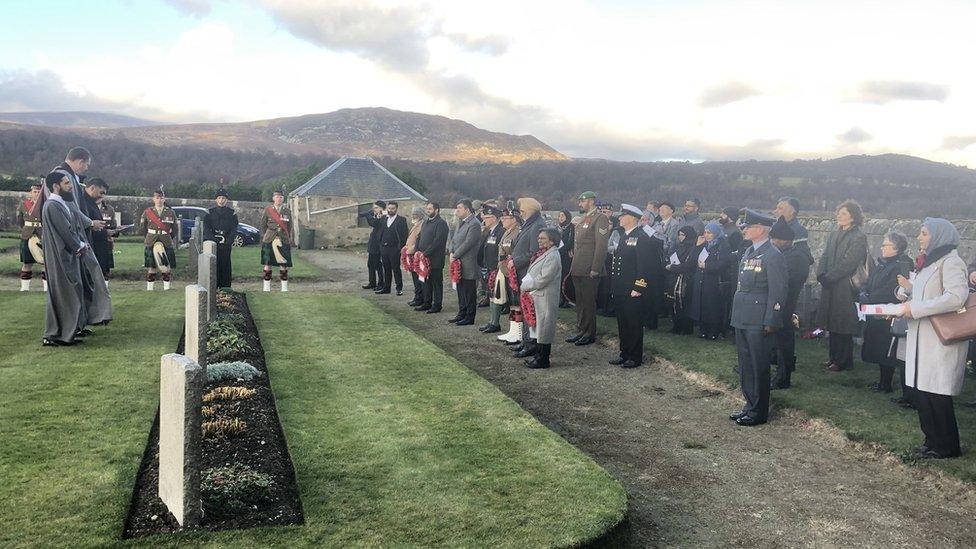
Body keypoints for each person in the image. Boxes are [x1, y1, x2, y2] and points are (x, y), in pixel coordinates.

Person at [896, 218, 968, 459]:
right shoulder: (929, 264)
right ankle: (931, 440)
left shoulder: (951, 262)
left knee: (937, 393)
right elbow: (921, 295)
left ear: (938, 236)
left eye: (924, 233)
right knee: (922, 391)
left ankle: (947, 446)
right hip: (921, 335)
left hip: (939, 339)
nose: (919, 237)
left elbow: (955, 297)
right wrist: (904, 305)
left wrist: (915, 309)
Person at [729, 209, 787, 426]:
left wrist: (772, 319)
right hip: (743, 315)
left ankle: (759, 411)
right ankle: (749, 404)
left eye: (748, 227)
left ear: (761, 229)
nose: (744, 230)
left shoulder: (773, 256)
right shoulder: (749, 252)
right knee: (745, 363)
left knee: (758, 364)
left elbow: (778, 291)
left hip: (758, 317)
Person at [50, 148, 112, 325]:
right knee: (71, 283)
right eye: (86, 165)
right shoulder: (61, 176)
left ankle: (84, 320)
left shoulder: (69, 177)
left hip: (77, 235)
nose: (87, 169)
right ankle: (73, 324)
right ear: (79, 161)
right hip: (68, 238)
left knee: (84, 279)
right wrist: (90, 223)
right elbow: (69, 208)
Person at [816, 199, 869, 372]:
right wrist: (821, 274)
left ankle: (843, 361)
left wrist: (830, 277)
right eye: (839, 213)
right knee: (832, 323)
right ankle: (833, 357)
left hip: (845, 286)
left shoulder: (858, 237)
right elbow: (825, 255)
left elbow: (850, 262)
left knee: (843, 323)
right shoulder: (834, 233)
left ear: (853, 217)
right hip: (831, 284)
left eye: (844, 213)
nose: (839, 216)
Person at [609, 204, 661, 368]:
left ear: (632, 217)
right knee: (623, 323)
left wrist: (638, 288)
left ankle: (634, 356)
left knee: (633, 323)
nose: (619, 218)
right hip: (620, 288)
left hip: (632, 289)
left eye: (622, 215)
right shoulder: (625, 235)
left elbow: (644, 266)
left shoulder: (641, 237)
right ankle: (624, 353)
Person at [860, 232, 913, 392]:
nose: (882, 247)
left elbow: (893, 289)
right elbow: (870, 281)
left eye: (885, 245)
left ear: (896, 248)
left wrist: (870, 298)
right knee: (878, 347)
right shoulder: (883, 263)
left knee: (886, 350)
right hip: (875, 310)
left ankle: (886, 384)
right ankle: (883, 382)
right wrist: (864, 292)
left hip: (888, 312)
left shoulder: (902, 264)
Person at [768, 216, 816, 389]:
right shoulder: (786, 253)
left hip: (785, 304)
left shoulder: (796, 257)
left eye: (775, 239)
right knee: (777, 341)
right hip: (779, 302)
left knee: (784, 341)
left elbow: (784, 280)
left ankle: (783, 376)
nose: (772, 242)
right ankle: (778, 371)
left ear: (785, 240)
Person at [41, 172, 87, 346]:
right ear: (56, 186)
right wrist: (79, 246)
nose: (70, 186)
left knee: (69, 291)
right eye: (67, 183)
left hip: (65, 255)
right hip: (59, 257)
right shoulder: (53, 205)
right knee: (64, 292)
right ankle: (58, 334)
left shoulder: (59, 204)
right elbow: (66, 232)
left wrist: (79, 244)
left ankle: (69, 330)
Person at [566, 191, 610, 347]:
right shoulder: (584, 219)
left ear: (591, 201)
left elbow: (601, 246)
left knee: (589, 302)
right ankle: (581, 330)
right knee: (580, 301)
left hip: (590, 268)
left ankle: (589, 333)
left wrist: (596, 268)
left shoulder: (600, 218)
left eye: (582, 201)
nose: (580, 204)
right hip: (578, 266)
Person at [520, 227, 563, 369]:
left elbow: (543, 279)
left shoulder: (553, 256)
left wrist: (526, 286)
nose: (539, 240)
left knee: (544, 328)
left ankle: (543, 360)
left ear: (552, 241)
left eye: (543, 238)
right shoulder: (545, 254)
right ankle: (538, 357)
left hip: (545, 297)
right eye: (539, 238)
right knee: (540, 328)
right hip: (538, 295)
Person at [511, 197, 545, 358]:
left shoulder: (537, 225)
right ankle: (526, 340)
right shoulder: (530, 223)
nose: (521, 212)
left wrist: (516, 261)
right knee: (524, 308)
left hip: (528, 273)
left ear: (530, 209)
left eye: (522, 209)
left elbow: (534, 252)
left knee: (530, 309)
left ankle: (531, 344)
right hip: (521, 272)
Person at [689, 222, 732, 340]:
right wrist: (697, 245)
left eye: (709, 233)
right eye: (705, 232)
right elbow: (692, 259)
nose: (706, 235)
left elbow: (724, 263)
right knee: (701, 306)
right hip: (700, 279)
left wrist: (707, 266)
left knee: (712, 306)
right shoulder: (703, 245)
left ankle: (714, 331)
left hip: (713, 280)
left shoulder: (722, 245)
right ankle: (703, 329)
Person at [448, 199, 482, 325]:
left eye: (459, 208)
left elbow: (469, 243)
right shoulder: (460, 222)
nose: (457, 210)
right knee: (461, 289)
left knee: (469, 291)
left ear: (467, 209)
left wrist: (455, 255)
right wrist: (451, 251)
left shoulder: (474, 224)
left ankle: (469, 316)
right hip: (458, 262)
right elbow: (454, 239)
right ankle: (461, 313)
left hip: (468, 263)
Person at [139, 188, 178, 291]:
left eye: (161, 198)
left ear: (164, 199)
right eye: (157, 198)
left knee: (166, 266)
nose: (159, 200)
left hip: (166, 240)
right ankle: (150, 288)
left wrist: (169, 237)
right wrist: (147, 237)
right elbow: (143, 228)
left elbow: (175, 229)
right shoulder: (148, 212)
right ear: (153, 199)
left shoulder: (170, 212)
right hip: (151, 240)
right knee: (152, 266)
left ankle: (166, 288)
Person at [495, 205, 523, 343]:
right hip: (506, 271)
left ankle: (518, 332)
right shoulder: (507, 231)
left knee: (516, 302)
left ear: (514, 219)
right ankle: (513, 329)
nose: (503, 220)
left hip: (513, 272)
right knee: (512, 303)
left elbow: (515, 252)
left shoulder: (518, 232)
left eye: (506, 218)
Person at [415, 201, 449, 313]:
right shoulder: (425, 223)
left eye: (430, 209)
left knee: (436, 283)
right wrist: (417, 251)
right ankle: (427, 302)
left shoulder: (441, 224)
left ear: (436, 210)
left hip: (435, 259)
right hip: (422, 258)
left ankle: (437, 305)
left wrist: (425, 253)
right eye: (427, 208)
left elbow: (438, 241)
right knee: (425, 282)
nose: (427, 210)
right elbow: (419, 237)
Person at [260, 187, 295, 292]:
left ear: (283, 199)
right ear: (273, 198)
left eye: (280, 197)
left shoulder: (287, 211)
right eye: (277, 197)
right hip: (269, 239)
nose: (279, 199)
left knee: (283, 265)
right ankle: (266, 288)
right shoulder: (268, 210)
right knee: (267, 264)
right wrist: (269, 234)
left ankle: (284, 288)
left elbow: (289, 226)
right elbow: (263, 225)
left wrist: (283, 235)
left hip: (283, 239)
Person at [203, 188, 239, 289]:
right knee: (214, 265)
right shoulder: (209, 213)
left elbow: (234, 229)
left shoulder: (232, 213)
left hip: (226, 243)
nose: (221, 200)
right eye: (219, 198)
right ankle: (213, 286)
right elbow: (206, 228)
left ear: (226, 200)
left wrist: (228, 242)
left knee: (225, 265)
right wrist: (213, 240)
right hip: (213, 244)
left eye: (223, 198)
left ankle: (225, 287)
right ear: (216, 199)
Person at [665, 225, 697, 334]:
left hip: (685, 279)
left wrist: (673, 267)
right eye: (679, 235)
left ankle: (685, 328)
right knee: (674, 303)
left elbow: (689, 265)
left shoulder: (693, 248)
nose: (680, 237)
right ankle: (676, 326)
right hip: (675, 277)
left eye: (682, 235)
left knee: (684, 304)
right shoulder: (680, 246)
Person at [478, 204, 505, 333]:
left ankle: (495, 323)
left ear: (494, 218)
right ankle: (491, 321)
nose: (484, 219)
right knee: (490, 295)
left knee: (496, 296)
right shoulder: (490, 231)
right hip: (488, 267)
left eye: (487, 217)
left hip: (496, 268)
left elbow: (500, 251)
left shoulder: (500, 231)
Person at [84, 178, 115, 282]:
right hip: (90, 248)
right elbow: (83, 226)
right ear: (93, 188)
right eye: (101, 192)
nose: (102, 196)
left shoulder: (91, 202)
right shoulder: (83, 202)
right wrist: (105, 232)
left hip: (98, 247)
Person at [16, 181, 45, 291]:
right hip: (27, 235)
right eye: (35, 191)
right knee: (27, 263)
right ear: (31, 193)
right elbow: (20, 221)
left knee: (45, 263)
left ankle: (46, 289)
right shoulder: (24, 205)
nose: (37, 193)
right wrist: (25, 230)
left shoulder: (45, 204)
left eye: (39, 191)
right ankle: (24, 289)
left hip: (42, 235)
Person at [775, 196, 815, 268]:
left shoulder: (799, 231)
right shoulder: (774, 228)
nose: (775, 211)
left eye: (780, 208)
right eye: (776, 208)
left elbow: (797, 257)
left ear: (792, 212)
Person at [378, 201, 408, 295]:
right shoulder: (383, 218)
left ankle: (399, 289)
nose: (390, 210)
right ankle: (386, 288)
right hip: (384, 247)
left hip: (395, 248)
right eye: (389, 208)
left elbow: (404, 235)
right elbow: (380, 230)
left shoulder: (401, 220)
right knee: (386, 268)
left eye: (392, 208)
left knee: (396, 269)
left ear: (396, 209)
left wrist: (400, 248)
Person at [362, 200, 387, 290]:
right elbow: (372, 223)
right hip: (373, 242)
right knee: (370, 264)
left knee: (377, 264)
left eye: (376, 208)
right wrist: (368, 215)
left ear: (382, 208)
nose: (374, 210)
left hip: (378, 243)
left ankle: (381, 283)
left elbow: (374, 223)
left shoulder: (384, 216)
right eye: (374, 208)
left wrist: (368, 216)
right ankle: (372, 282)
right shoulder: (378, 215)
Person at [404, 206, 426, 306]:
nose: (413, 216)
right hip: (410, 253)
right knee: (414, 277)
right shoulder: (415, 224)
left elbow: (418, 240)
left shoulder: (422, 225)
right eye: (413, 214)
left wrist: (410, 250)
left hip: (415, 254)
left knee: (418, 278)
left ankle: (419, 298)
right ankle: (417, 297)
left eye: (415, 214)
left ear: (421, 215)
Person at [557, 210, 575, 307]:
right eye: (559, 216)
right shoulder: (558, 228)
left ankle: (567, 299)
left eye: (563, 216)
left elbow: (571, 241)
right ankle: (560, 298)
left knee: (565, 277)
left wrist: (561, 250)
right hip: (558, 255)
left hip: (566, 256)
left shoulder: (571, 227)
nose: (561, 218)